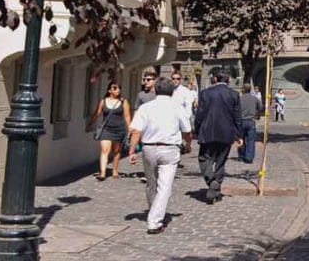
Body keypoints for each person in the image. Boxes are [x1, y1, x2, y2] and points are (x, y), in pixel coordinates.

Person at [127, 77, 192, 234]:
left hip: (149, 149)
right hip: (170, 149)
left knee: (151, 183)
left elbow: (136, 130)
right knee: (164, 186)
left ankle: (154, 211)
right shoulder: (177, 107)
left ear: (155, 89)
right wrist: (188, 144)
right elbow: (187, 131)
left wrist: (132, 151)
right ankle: (154, 221)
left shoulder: (146, 108)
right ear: (172, 91)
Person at [194, 69, 243, 204]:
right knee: (221, 161)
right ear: (228, 80)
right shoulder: (234, 94)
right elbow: (237, 116)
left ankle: (211, 180)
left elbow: (200, 114)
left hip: (207, 131)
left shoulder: (205, 93)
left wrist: (197, 129)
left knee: (204, 158)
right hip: (226, 133)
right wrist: (239, 134)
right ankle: (216, 182)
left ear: (215, 79)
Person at [85, 81, 132, 180]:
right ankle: (102, 173)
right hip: (106, 129)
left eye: (119, 88)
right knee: (104, 150)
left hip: (119, 129)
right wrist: (90, 123)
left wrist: (130, 129)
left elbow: (127, 116)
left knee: (116, 150)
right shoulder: (103, 101)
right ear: (109, 90)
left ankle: (115, 171)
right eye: (115, 88)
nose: (117, 90)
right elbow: (97, 113)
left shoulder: (123, 102)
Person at [238, 82, 264, 163]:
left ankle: (242, 155)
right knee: (250, 140)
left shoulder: (239, 99)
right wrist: (256, 113)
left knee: (241, 138)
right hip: (251, 120)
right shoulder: (255, 98)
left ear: (243, 90)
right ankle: (249, 157)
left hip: (241, 120)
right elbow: (260, 107)